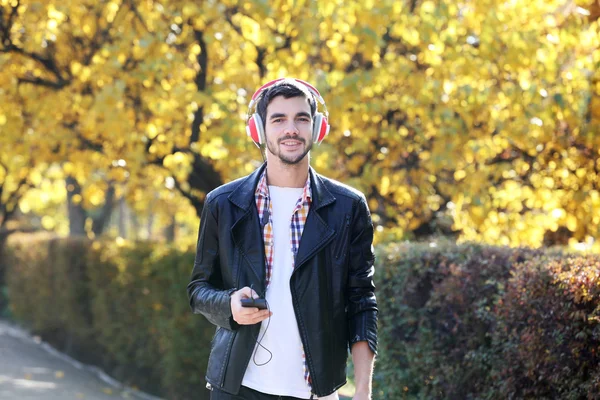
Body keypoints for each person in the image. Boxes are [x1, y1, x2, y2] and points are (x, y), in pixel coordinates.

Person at [187, 78, 378, 400]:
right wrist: (229, 304)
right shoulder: (223, 203)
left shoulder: (349, 207)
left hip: (315, 390)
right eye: (279, 119)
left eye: (301, 118)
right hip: (236, 388)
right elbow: (198, 289)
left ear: (317, 128)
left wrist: (362, 390)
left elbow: (361, 301)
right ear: (258, 130)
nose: (292, 129)